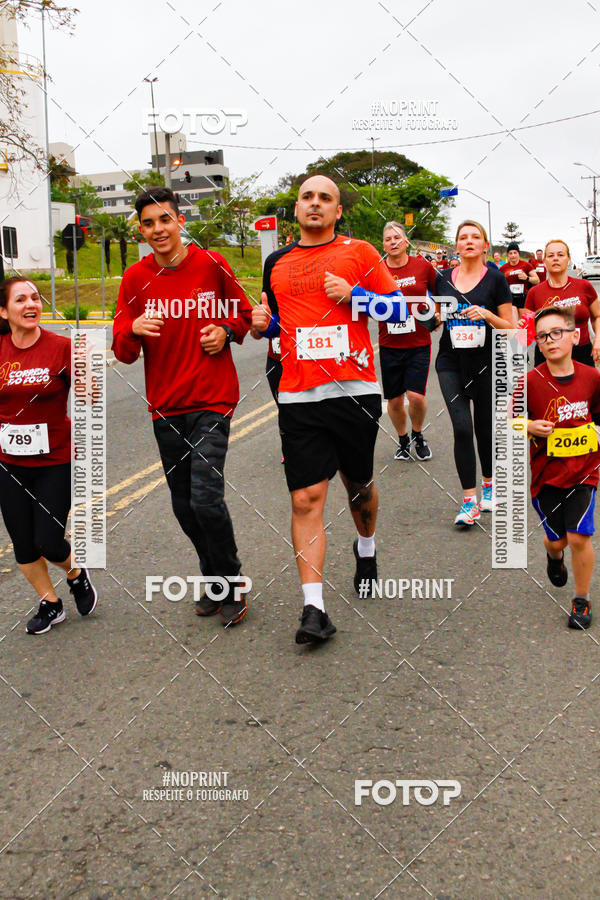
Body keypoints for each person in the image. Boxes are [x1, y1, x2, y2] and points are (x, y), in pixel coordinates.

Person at [252, 175, 404, 644]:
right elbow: (279, 326)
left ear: (338, 211)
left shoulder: (360, 255)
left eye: (325, 199)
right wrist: (263, 326)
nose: (315, 204)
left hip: (354, 391)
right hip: (299, 396)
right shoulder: (276, 263)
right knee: (305, 498)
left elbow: (399, 312)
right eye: (307, 197)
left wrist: (356, 296)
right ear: (295, 209)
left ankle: (366, 546)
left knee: (358, 485)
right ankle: (313, 610)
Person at [112, 187, 252, 626]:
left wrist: (225, 333)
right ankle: (212, 574)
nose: (158, 230)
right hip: (165, 404)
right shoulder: (135, 280)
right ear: (141, 229)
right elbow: (123, 350)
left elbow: (243, 314)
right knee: (183, 504)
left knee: (206, 498)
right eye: (149, 223)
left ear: (180, 222)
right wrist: (132, 326)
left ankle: (231, 581)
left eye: (165, 220)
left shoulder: (211, 264)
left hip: (212, 397)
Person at [0, 277, 98, 634]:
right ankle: (50, 603)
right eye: (20, 299)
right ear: (4, 311)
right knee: (23, 546)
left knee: (48, 540)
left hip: (55, 460)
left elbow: (90, 398)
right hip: (8, 463)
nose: (31, 304)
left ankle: (75, 572)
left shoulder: (62, 347)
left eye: (35, 298)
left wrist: (89, 381)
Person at [517, 306, 600, 629]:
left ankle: (581, 600)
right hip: (546, 476)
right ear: (537, 343)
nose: (550, 340)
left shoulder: (592, 377)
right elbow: (505, 423)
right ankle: (554, 556)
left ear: (574, 336)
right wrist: (527, 427)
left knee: (580, 536)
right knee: (558, 540)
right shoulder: (529, 382)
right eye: (542, 336)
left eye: (557, 333)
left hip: (584, 471)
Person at [435, 220, 513, 528]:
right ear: (456, 246)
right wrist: (433, 316)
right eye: (463, 237)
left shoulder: (496, 280)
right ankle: (469, 501)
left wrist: (488, 314)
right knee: (462, 427)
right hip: (450, 362)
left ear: (484, 246)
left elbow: (512, 328)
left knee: (484, 426)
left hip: (485, 363)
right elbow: (433, 318)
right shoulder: (442, 279)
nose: (468, 241)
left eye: (475, 237)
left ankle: (489, 485)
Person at [379, 221, 437, 460]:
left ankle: (417, 434)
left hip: (418, 344)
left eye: (397, 237)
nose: (392, 242)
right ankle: (402, 439)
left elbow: (442, 292)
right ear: (383, 244)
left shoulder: (423, 267)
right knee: (394, 400)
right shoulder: (377, 270)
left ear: (406, 241)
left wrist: (438, 316)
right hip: (389, 344)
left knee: (416, 396)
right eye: (388, 239)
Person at [525, 239, 600, 368]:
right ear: (544, 261)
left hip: (581, 353)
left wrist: (598, 340)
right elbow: (528, 331)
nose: (555, 259)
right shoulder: (534, 292)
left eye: (560, 255)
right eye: (550, 255)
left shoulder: (584, 286)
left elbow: (597, 316)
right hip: (548, 356)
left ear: (568, 259)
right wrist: (523, 328)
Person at [500, 242, 539, 323]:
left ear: (518, 254)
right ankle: (516, 336)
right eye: (510, 253)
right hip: (510, 299)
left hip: (523, 298)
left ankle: (522, 336)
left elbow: (537, 280)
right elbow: (497, 283)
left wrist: (527, 278)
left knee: (525, 323)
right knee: (514, 324)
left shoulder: (526, 265)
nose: (513, 255)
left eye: (515, 253)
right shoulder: (503, 268)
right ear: (508, 255)